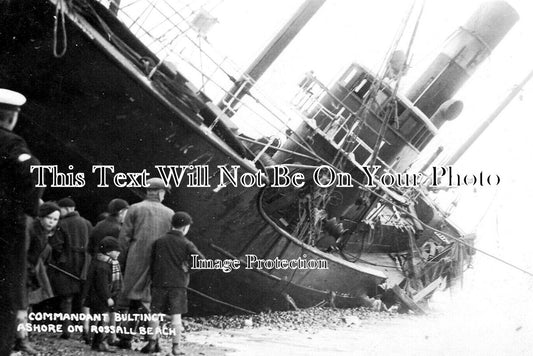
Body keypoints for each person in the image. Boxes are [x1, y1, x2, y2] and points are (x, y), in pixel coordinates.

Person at [0, 89, 42, 355]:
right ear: (11, 118)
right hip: (5, 229)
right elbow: (33, 174)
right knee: (5, 295)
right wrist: (25, 210)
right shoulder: (12, 143)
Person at [117, 178, 173, 349]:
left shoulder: (134, 209)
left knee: (131, 300)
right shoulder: (170, 213)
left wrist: (121, 261)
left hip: (135, 260)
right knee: (150, 302)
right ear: (161, 192)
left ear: (148, 191)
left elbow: (124, 239)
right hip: (159, 262)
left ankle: (125, 338)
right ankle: (152, 341)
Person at [141, 212, 204, 355]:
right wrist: (189, 269)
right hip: (178, 284)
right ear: (185, 228)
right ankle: (176, 348)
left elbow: (152, 263)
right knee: (176, 316)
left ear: (172, 224)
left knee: (154, 314)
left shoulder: (159, 241)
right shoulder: (186, 243)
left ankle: (151, 344)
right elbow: (202, 261)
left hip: (159, 283)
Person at [16, 202, 63, 353]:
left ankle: (23, 339)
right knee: (21, 308)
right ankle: (20, 340)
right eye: (49, 218)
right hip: (22, 270)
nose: (52, 222)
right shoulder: (32, 229)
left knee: (26, 306)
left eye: (55, 219)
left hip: (30, 271)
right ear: (41, 216)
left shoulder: (42, 232)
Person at [56, 197, 92, 339]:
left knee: (67, 298)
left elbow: (57, 246)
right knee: (84, 299)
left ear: (65, 209)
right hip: (85, 264)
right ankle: (86, 330)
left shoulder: (61, 224)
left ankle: (66, 331)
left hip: (67, 264)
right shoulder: (87, 223)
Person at [84, 236, 123, 352]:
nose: (119, 253)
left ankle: (97, 342)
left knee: (101, 320)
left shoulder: (103, 262)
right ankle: (101, 342)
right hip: (101, 298)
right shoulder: (103, 266)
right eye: (116, 251)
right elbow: (102, 285)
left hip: (97, 297)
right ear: (108, 252)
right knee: (103, 321)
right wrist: (108, 298)